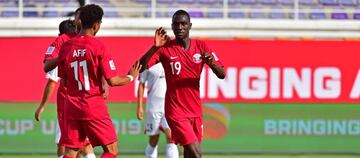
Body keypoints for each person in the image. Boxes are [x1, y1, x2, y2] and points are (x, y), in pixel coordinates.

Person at [58, 4, 141, 158]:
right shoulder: (99, 46)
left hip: (71, 106)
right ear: (96, 26)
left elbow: (64, 83)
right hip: (93, 105)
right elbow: (113, 81)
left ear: (80, 22)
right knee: (111, 150)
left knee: (71, 152)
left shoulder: (66, 47)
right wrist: (131, 77)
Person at [139, 9, 226, 158]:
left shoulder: (201, 46)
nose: (180, 27)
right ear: (172, 26)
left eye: (183, 24)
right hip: (176, 110)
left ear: (190, 26)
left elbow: (222, 74)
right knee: (197, 153)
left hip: (195, 111)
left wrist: (211, 63)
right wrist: (154, 47)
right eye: (176, 24)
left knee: (190, 154)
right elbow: (141, 66)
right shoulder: (165, 49)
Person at [35, 18, 96, 158]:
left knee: (64, 145)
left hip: (68, 105)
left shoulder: (63, 51)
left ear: (61, 35)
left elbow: (52, 81)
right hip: (87, 101)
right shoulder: (86, 48)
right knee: (86, 145)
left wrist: (42, 106)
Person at [137, 63, 179, 158]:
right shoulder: (148, 62)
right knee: (153, 139)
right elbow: (141, 84)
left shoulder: (171, 61)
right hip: (153, 107)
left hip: (170, 106)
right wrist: (139, 106)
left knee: (171, 137)